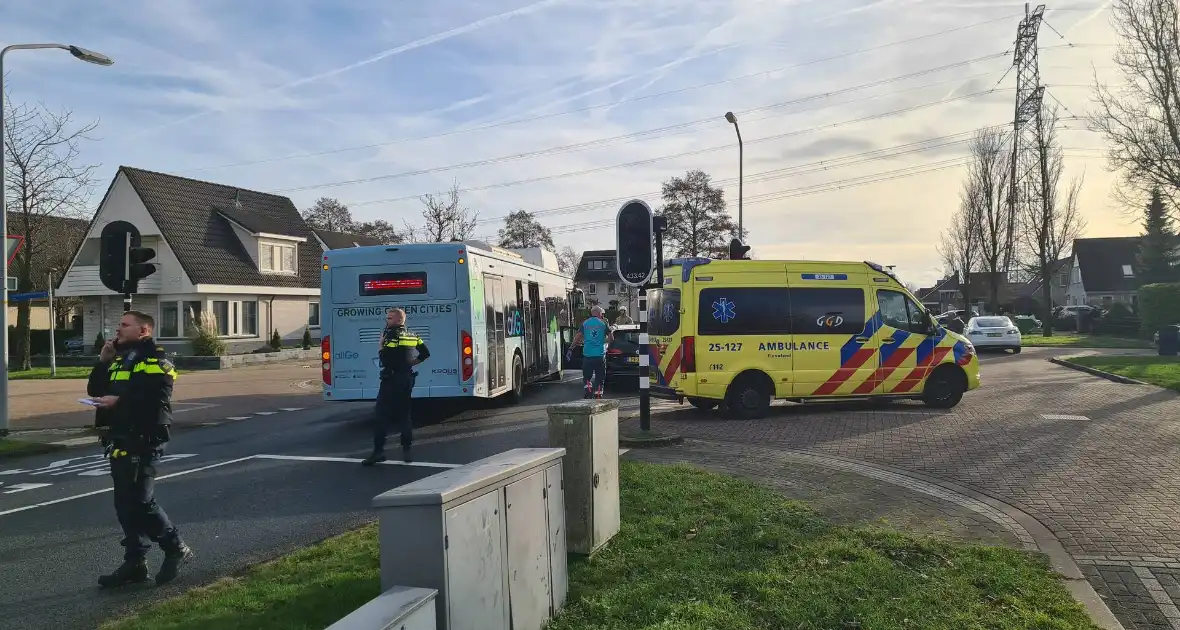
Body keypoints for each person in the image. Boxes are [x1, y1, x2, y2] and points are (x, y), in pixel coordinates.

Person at [89, 311, 191, 588]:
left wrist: (118, 402)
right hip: (120, 438)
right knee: (124, 503)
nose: (117, 329)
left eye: (124, 325)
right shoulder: (121, 357)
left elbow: (157, 394)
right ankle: (135, 561)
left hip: (145, 437)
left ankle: (175, 547)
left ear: (143, 330)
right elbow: (96, 389)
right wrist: (103, 362)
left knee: (142, 501)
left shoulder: (156, 358)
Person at [364, 308, 430, 466]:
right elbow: (425, 353)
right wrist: (412, 363)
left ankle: (378, 452)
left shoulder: (392, 335)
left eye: (389, 318)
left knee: (381, 415)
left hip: (392, 379)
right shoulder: (413, 334)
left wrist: (380, 346)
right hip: (407, 378)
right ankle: (407, 451)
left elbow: (385, 359)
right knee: (404, 415)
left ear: (398, 320)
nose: (387, 320)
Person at [572, 306, 613, 399]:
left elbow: (577, 337)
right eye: (602, 314)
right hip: (600, 355)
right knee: (600, 376)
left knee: (586, 376)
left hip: (587, 355)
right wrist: (603, 341)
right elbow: (611, 338)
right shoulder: (603, 323)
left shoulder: (585, 323)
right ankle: (598, 393)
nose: (602, 315)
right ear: (599, 314)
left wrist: (572, 346)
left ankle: (588, 390)